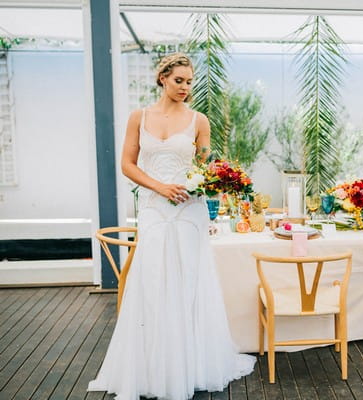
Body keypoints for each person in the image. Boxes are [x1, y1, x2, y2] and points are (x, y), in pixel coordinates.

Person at [88, 53, 255, 400]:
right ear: (162, 77)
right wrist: (160, 187)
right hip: (153, 208)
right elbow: (127, 164)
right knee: (152, 282)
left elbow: (205, 167)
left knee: (189, 283)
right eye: (179, 80)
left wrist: (220, 179)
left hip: (189, 210)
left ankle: (191, 366)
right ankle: (152, 369)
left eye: (189, 81)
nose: (185, 87)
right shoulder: (140, 117)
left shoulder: (199, 121)